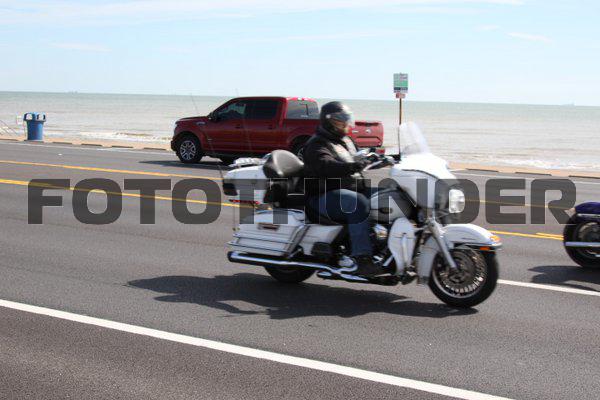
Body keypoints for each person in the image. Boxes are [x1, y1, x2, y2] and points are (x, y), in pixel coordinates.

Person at [303, 101, 381, 277]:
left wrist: (379, 158)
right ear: (329, 121)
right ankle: (362, 258)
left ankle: (384, 245)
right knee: (357, 204)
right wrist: (352, 166)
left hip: (350, 189)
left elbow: (359, 156)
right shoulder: (317, 144)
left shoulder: (345, 141)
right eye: (341, 121)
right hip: (323, 196)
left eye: (347, 120)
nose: (346, 124)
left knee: (388, 196)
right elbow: (326, 164)